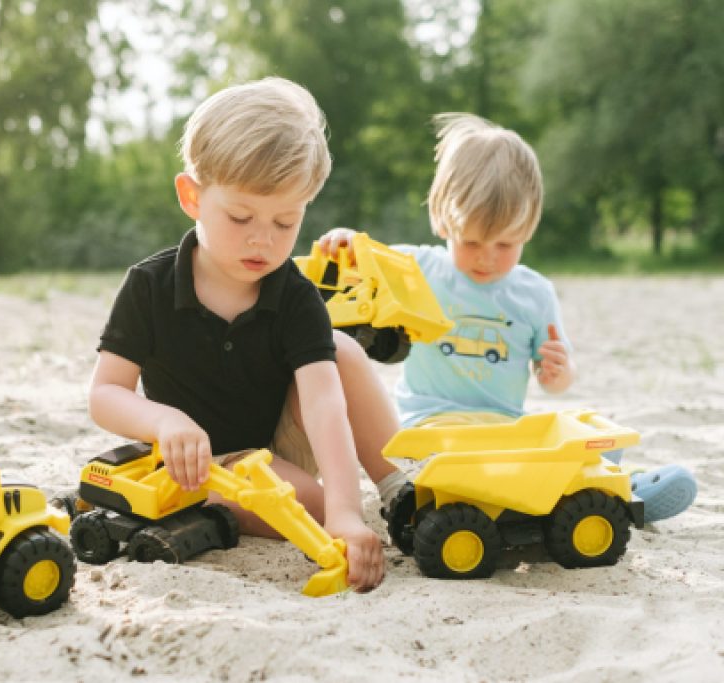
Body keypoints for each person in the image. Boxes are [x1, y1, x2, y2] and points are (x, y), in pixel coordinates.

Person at [89, 77, 408, 591]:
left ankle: (400, 487)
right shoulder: (149, 285)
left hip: (278, 435)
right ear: (191, 197)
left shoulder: (294, 294)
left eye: (286, 222)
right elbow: (105, 395)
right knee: (312, 505)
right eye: (241, 217)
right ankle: (218, 510)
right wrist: (165, 422)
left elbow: (325, 404)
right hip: (198, 462)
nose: (263, 238)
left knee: (342, 351)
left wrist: (351, 514)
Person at [318, 112, 696, 523]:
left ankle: (622, 482)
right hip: (430, 424)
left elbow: (558, 380)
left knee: (564, 430)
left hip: (506, 427)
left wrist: (558, 372)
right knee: (500, 475)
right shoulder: (420, 268)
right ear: (442, 219)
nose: (487, 257)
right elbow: (365, 260)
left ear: (529, 228)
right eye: (472, 241)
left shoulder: (534, 293)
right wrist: (345, 240)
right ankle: (604, 475)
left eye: (505, 243)